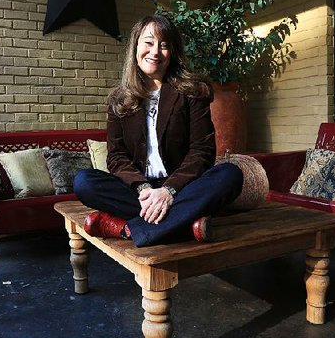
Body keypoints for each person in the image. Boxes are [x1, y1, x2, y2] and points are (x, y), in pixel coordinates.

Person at [73, 15, 243, 247]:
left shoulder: (193, 91)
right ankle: (186, 225)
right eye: (149, 42)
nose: (155, 51)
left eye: (164, 45)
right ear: (136, 46)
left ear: (172, 52)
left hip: (182, 186)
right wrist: (145, 189)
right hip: (138, 190)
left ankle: (126, 229)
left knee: (230, 175)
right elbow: (117, 157)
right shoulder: (118, 99)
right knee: (84, 182)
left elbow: (202, 150)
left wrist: (168, 191)